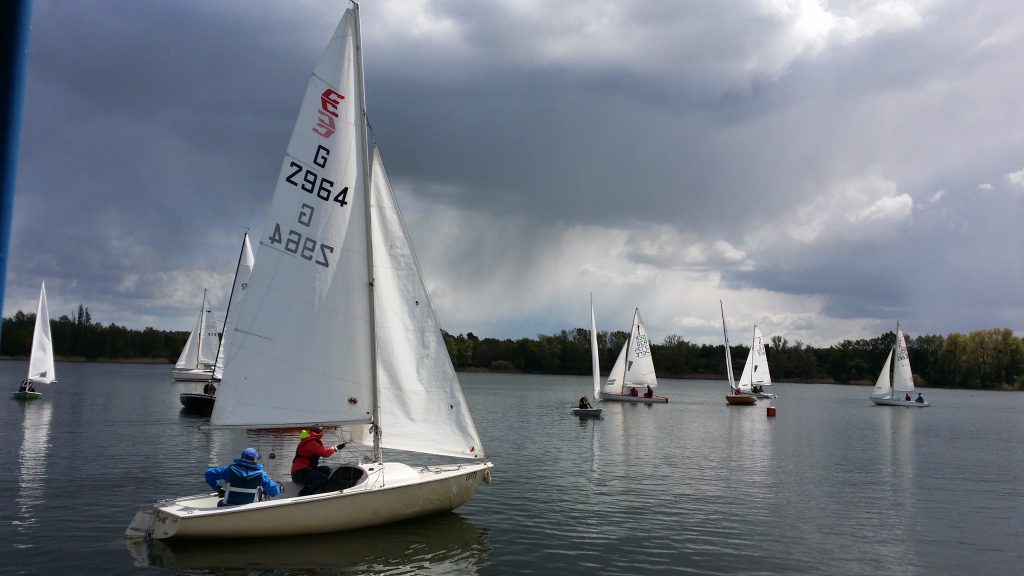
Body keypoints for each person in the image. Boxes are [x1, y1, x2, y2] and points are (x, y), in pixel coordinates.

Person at [205, 448, 281, 507]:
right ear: (255, 459)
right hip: (249, 508)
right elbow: (275, 492)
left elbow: (209, 473)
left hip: (227, 506)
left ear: (241, 457)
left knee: (219, 503)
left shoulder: (229, 469)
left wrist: (218, 488)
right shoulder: (261, 474)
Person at [292, 424, 346, 496]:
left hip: (302, 471)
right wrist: (336, 448)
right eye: (322, 431)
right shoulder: (311, 442)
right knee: (321, 477)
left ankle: (314, 488)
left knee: (326, 470)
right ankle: (302, 495)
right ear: (319, 432)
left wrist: (336, 447)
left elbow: (323, 450)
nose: (322, 434)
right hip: (299, 473)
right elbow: (325, 453)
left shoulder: (309, 440)